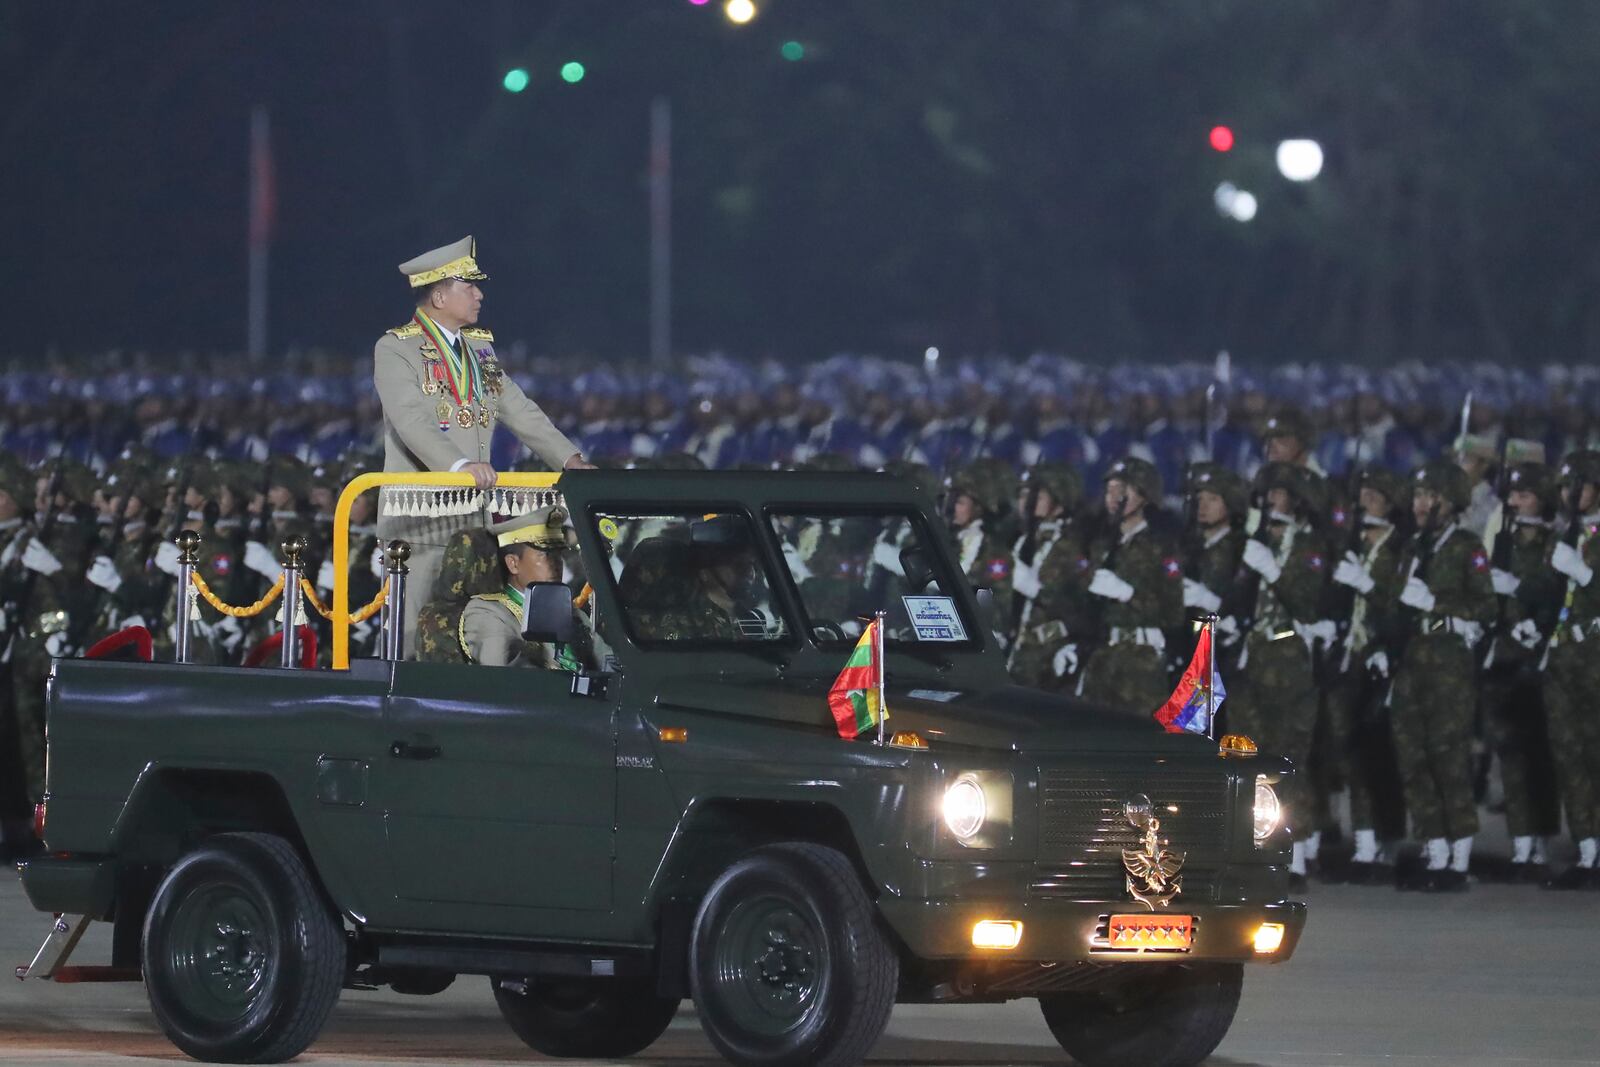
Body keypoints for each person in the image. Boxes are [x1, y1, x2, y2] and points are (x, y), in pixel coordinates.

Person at [373, 236, 592, 654]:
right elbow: (410, 421)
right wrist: (457, 465)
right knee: (410, 638)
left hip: (474, 522)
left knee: (474, 634)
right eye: (469, 286)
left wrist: (570, 459)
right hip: (421, 522)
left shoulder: (479, 349)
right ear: (438, 295)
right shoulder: (395, 348)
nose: (480, 294)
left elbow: (519, 409)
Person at [1391, 461, 1495, 892]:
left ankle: (1459, 856)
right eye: (1417, 496)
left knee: (1449, 756)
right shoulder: (1415, 546)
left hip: (1449, 658)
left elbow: (1487, 608)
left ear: (1449, 503)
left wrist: (1435, 603)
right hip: (1412, 659)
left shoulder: (1467, 546)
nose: (1419, 504)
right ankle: (1434, 851)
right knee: (1414, 756)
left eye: (1428, 496)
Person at [1227, 461, 1329, 888]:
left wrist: (1271, 569)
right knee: (1249, 756)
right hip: (1254, 656)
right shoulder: (1258, 541)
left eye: (1280, 493)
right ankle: (1253, 847)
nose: (1271, 501)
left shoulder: (1309, 546)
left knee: (1291, 757)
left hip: (1290, 659)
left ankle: (1299, 851)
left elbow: (1306, 602)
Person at [1324, 467, 1410, 883]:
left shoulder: (1401, 552)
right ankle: (1363, 845)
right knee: (1350, 754)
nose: (1365, 502)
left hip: (1386, 662)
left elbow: (1398, 609)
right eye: (1362, 495)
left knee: (1384, 757)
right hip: (1349, 660)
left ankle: (1389, 841)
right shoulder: (1354, 545)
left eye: (1374, 495)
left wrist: (1367, 586)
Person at [1480, 460, 1563, 882]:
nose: (1514, 502)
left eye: (1524, 495)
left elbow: (1559, 593)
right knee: (1510, 754)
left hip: (1545, 659)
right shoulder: (1505, 542)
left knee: (1542, 756)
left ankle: (1545, 838)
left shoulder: (1555, 544)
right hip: (1507, 658)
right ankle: (1521, 844)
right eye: (1512, 495)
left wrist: (1528, 604)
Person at [1078, 457, 1182, 717]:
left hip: (1141, 662)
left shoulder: (1162, 547)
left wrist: (1129, 594)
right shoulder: (1101, 546)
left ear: (1144, 496)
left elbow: (1173, 612)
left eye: (1123, 490)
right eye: (1110, 490)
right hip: (1103, 656)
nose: (1114, 497)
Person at [1540, 450, 1600, 890]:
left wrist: (1586, 574)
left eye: (1578, 485)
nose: (1570, 495)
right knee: (1570, 756)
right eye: (1564, 487)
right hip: (1563, 657)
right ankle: (1587, 849)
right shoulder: (1563, 533)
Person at [460, 506, 593, 670]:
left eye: (558, 555)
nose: (556, 564)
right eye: (545, 555)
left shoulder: (572, 613)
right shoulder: (487, 612)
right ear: (513, 564)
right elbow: (505, 675)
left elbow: (607, 659)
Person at [1007, 462, 1093, 690]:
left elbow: (1083, 610)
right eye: (1023, 494)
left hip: (1048, 661)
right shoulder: (1023, 540)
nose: (1027, 501)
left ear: (1060, 499)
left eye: (1038, 494)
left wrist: (1037, 590)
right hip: (1016, 656)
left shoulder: (1074, 546)